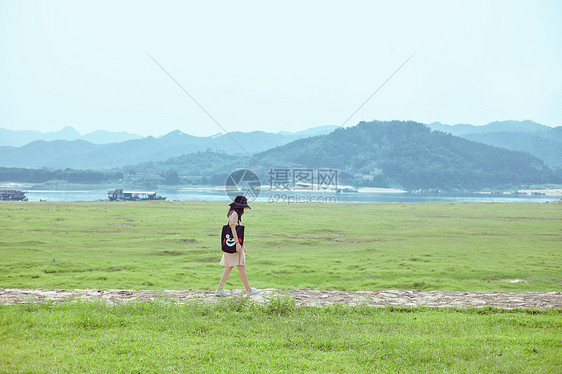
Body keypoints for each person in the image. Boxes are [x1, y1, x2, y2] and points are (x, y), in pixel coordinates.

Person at [215, 195, 261, 297]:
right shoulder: (235, 214)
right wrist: (237, 244)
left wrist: (242, 245)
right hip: (234, 244)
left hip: (235, 244)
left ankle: (219, 290)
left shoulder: (233, 213)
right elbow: (233, 229)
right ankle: (249, 290)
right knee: (239, 266)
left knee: (230, 267)